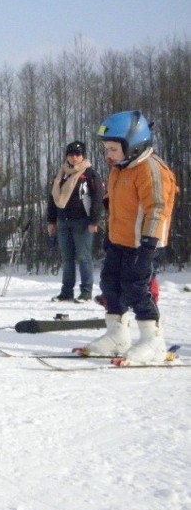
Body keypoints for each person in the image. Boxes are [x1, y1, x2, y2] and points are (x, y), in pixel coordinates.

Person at [83, 110, 177, 365]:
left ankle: (153, 340)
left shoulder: (151, 169)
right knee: (110, 285)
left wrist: (148, 246)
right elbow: (117, 204)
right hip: (119, 240)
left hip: (143, 244)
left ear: (133, 145)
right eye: (106, 149)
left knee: (137, 288)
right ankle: (117, 336)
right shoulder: (120, 169)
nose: (108, 156)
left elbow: (156, 208)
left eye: (113, 149)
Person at [46, 140, 104, 302]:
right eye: (71, 154)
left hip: (83, 222)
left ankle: (86, 291)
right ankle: (66, 292)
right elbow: (52, 198)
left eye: (77, 154)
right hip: (63, 221)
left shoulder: (90, 174)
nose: (74, 157)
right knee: (67, 258)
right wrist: (51, 221)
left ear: (83, 156)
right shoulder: (61, 175)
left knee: (84, 257)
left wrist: (94, 221)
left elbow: (98, 199)